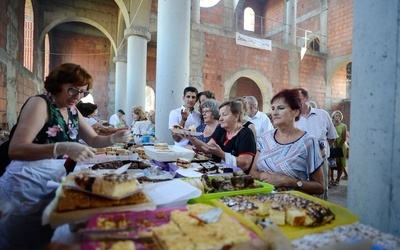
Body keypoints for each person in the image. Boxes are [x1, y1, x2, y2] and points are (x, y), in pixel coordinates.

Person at [0, 63, 132, 249]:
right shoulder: (40, 104)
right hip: (25, 181)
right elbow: (16, 149)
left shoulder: (72, 110)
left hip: (51, 179)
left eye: (83, 92)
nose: (77, 97)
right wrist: (61, 147)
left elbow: (93, 140)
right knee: (17, 240)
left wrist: (113, 138)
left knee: (42, 237)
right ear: (57, 84)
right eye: (72, 90)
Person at [250, 89, 325, 195]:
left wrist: (289, 181)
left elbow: (320, 187)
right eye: (273, 108)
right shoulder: (265, 138)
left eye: (281, 108)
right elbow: (252, 172)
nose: (274, 113)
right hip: (261, 201)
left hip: (293, 205)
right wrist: (265, 176)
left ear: (295, 112)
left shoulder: (308, 142)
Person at [183, 100, 256, 174]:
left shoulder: (246, 133)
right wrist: (192, 138)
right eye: (220, 115)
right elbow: (207, 148)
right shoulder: (221, 129)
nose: (220, 118)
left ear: (236, 117)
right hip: (217, 173)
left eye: (224, 114)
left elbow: (245, 164)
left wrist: (222, 154)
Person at [295, 87, 338, 200]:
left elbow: (332, 137)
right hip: (300, 162)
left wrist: (320, 149)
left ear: (307, 98)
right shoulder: (293, 118)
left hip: (321, 160)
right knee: (302, 191)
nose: (296, 102)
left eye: (299, 99)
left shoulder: (322, 114)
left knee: (322, 190)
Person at [329, 110, 348, 186]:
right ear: (333, 116)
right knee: (332, 163)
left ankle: (337, 180)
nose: (338, 117)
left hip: (340, 146)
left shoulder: (343, 126)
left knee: (341, 163)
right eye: (336, 115)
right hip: (331, 146)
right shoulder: (330, 125)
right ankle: (332, 179)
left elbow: (344, 138)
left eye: (339, 116)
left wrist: (338, 148)